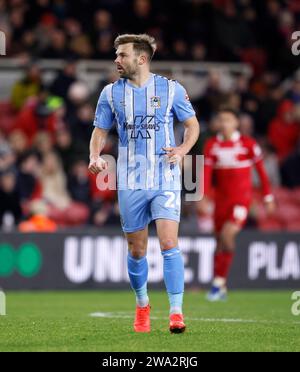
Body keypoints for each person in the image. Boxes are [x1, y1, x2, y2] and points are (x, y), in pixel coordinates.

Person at [88, 34, 199, 333]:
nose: (116, 60)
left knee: (168, 243)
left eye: (122, 55)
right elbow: (100, 129)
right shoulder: (111, 94)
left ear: (141, 58)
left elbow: (192, 125)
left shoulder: (172, 89)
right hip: (131, 180)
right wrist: (94, 154)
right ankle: (142, 304)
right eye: (116, 54)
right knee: (137, 250)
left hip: (165, 177)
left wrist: (182, 150)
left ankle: (176, 312)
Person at [201, 108, 275, 301]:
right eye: (221, 120)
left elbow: (261, 173)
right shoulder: (211, 145)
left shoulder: (248, 144)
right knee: (219, 241)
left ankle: (217, 284)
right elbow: (207, 173)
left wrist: (268, 197)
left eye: (228, 120)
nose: (224, 123)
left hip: (241, 201)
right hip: (221, 202)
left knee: (227, 234)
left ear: (236, 123)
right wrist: (204, 196)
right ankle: (221, 285)